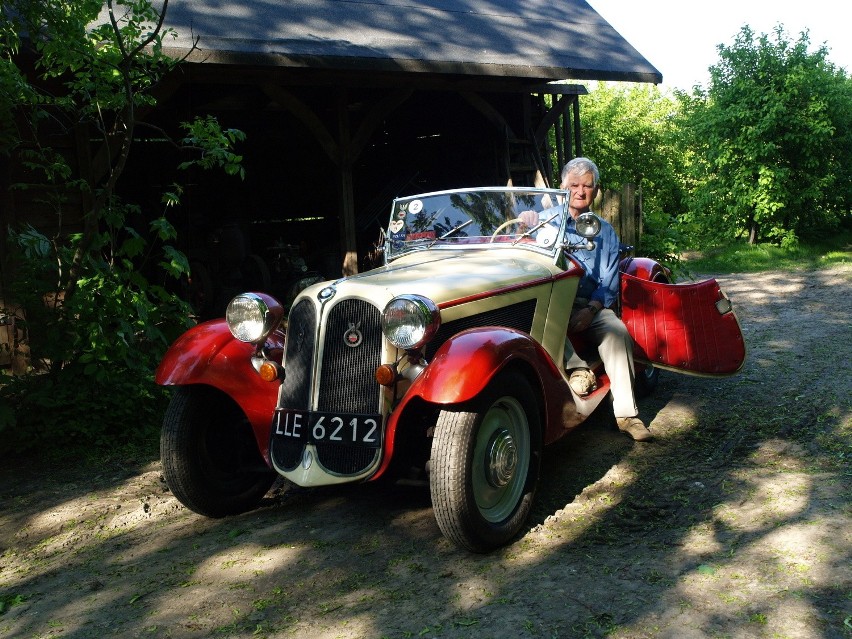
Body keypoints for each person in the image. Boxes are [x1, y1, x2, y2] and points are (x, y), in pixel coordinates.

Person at [520, 158, 652, 442]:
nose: (580, 191)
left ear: (596, 190)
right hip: (550, 301)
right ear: (562, 188)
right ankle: (579, 368)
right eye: (574, 185)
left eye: (587, 186)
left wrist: (591, 311)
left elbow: (609, 281)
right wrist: (524, 225)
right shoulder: (543, 221)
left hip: (587, 303)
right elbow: (521, 257)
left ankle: (627, 415)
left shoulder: (604, 230)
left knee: (617, 333)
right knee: (531, 322)